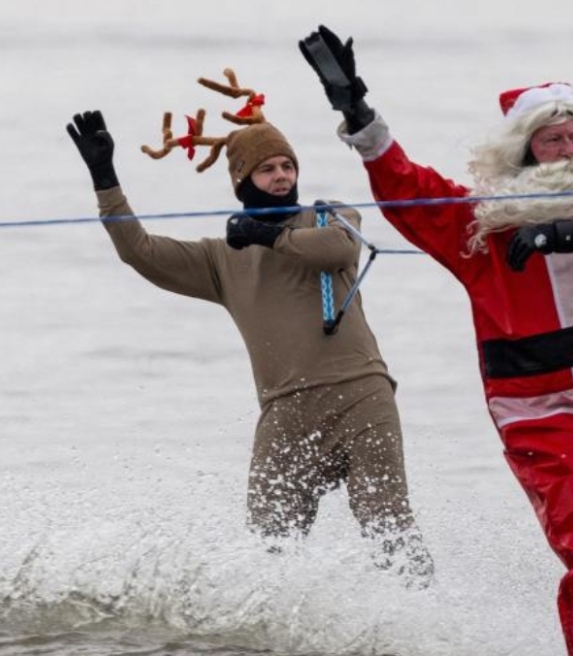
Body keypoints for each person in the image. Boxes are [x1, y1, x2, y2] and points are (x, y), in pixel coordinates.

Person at [300, 25, 573, 655]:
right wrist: (361, 118)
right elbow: (409, 189)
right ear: (525, 152)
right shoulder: (483, 228)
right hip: (547, 419)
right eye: (551, 138)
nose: (566, 147)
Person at [66, 89, 434, 587]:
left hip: (361, 398)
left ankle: (423, 623)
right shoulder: (222, 258)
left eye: (288, 166)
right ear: (243, 179)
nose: (282, 176)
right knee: (269, 549)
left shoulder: (329, 215)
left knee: (388, 530)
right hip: (285, 412)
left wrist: (267, 235)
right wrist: (105, 180)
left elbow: (338, 251)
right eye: (268, 169)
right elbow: (141, 252)